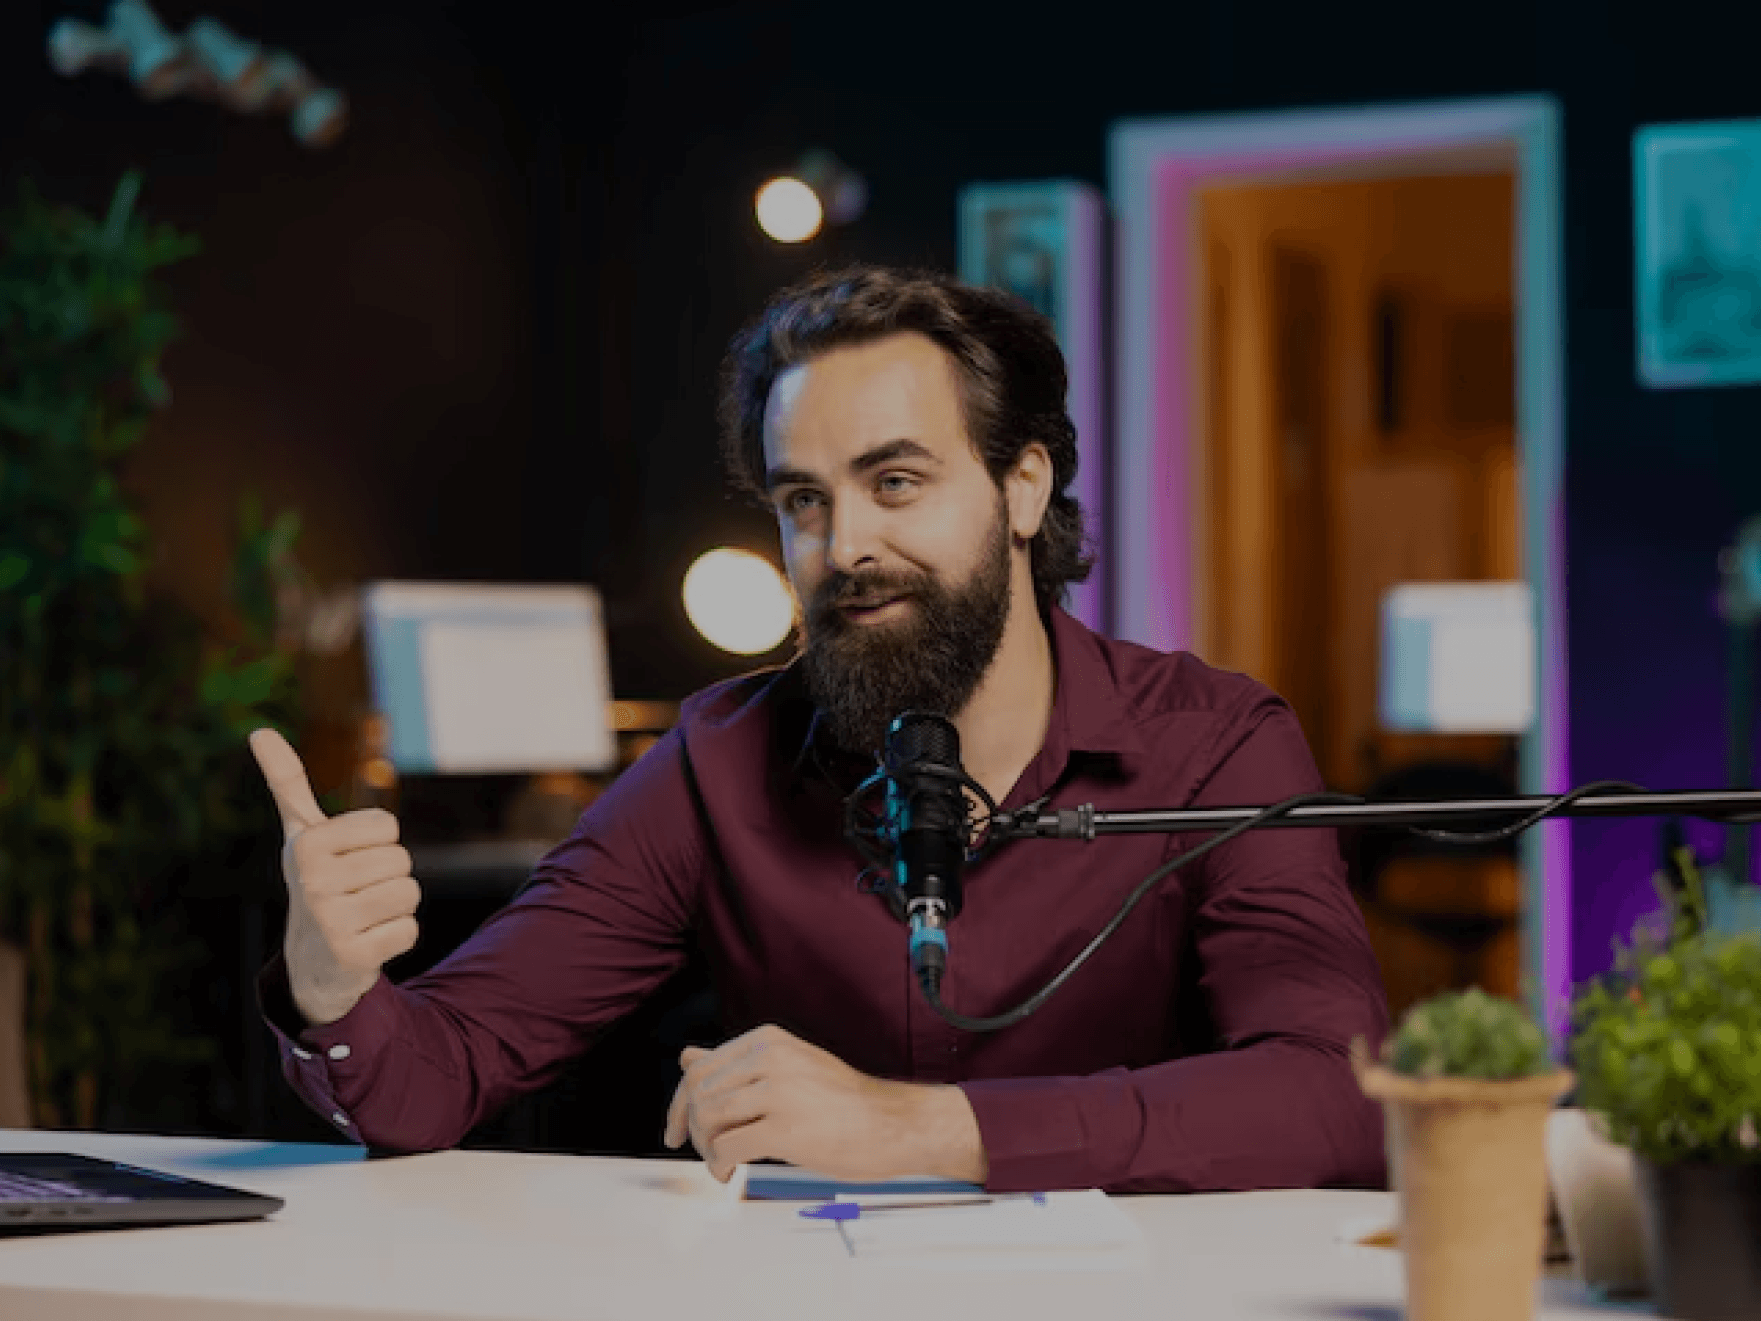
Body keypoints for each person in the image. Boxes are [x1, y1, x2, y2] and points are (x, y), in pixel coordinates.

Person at [251, 265, 1390, 1194]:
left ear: (1024, 488)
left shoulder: (1217, 745)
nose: (843, 546)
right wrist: (330, 987)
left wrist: (925, 1129)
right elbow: (434, 1074)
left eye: (894, 483)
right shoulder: (716, 763)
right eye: (804, 500)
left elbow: (1337, 1097)